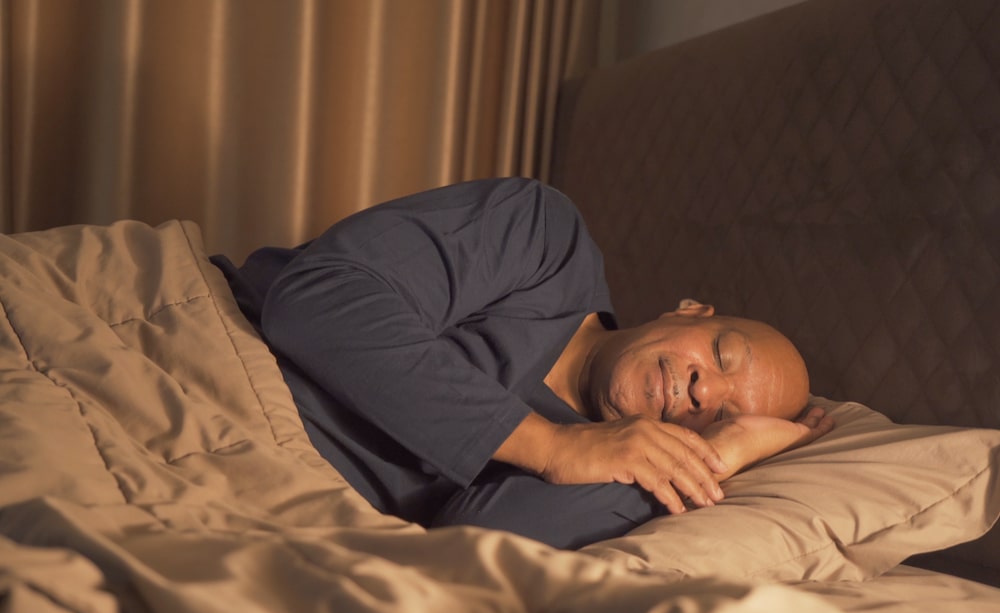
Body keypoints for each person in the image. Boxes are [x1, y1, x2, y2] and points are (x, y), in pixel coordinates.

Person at [212, 177, 832, 549]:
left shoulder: (607, 481)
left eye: (720, 416)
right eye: (722, 353)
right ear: (690, 310)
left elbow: (469, 551)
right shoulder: (544, 239)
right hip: (204, 351)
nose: (704, 390)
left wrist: (713, 461)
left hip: (251, 487)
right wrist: (547, 445)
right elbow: (318, 300)